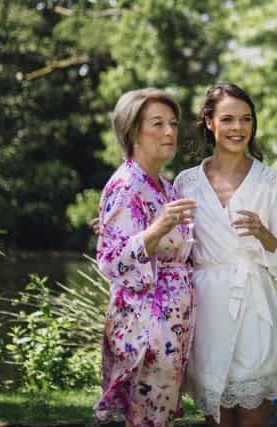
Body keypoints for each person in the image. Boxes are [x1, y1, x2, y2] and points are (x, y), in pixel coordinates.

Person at [174, 83, 277, 427]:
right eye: (228, 119)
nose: (238, 128)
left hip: (253, 306)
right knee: (217, 417)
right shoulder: (186, 183)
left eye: (246, 119)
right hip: (206, 308)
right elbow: (173, 246)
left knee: (252, 417)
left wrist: (263, 233)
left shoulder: (271, 183)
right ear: (209, 123)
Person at [93, 88, 198, 427]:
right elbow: (111, 262)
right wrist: (159, 226)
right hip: (143, 328)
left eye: (173, 123)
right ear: (133, 131)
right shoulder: (126, 185)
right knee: (141, 418)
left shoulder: (165, 186)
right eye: (158, 123)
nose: (170, 132)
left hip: (171, 327)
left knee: (157, 417)